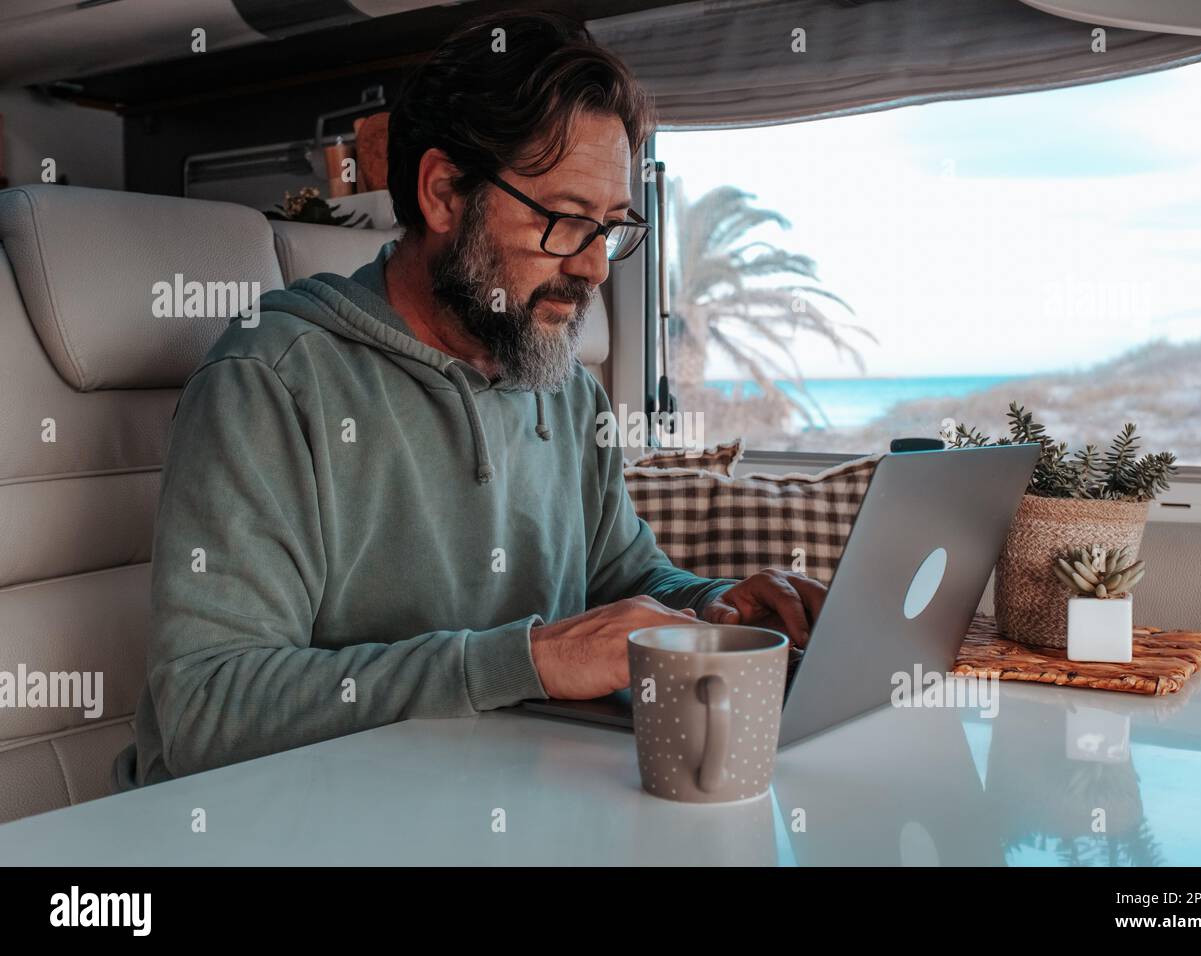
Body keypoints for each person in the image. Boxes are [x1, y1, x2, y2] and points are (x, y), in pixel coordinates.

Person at [112, 11, 825, 789]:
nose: (594, 269)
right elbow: (204, 713)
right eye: (563, 221)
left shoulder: (563, 389)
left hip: (499, 804)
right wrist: (529, 661)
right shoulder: (269, 385)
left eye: (612, 229)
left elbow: (625, 578)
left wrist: (719, 611)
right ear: (444, 192)